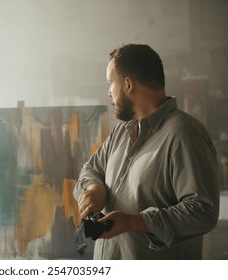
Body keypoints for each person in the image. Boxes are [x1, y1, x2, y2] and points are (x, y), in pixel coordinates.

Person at [73, 43, 220, 259]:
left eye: (110, 84)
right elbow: (90, 169)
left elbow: (203, 212)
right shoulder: (121, 132)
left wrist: (134, 222)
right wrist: (95, 188)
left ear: (128, 84)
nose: (109, 93)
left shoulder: (185, 134)